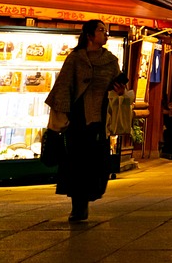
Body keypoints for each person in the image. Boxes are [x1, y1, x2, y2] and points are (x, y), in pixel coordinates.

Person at [45, 20, 127, 223]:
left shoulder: (111, 60)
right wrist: (61, 115)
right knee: (76, 164)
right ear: (89, 36)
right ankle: (78, 206)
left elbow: (119, 85)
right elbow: (63, 86)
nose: (105, 34)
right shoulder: (75, 59)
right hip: (78, 119)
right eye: (101, 31)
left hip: (100, 119)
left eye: (105, 31)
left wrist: (121, 91)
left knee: (97, 163)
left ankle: (92, 193)